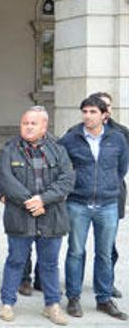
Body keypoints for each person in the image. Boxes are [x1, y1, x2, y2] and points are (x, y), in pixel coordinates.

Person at [0, 106, 73, 325]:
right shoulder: (10, 149)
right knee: (15, 260)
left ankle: (52, 305)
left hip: (51, 215)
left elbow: (67, 180)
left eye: (33, 123)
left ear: (44, 126)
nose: (28, 127)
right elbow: (6, 179)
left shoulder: (58, 149)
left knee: (49, 264)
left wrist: (43, 200)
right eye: (25, 123)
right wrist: (31, 202)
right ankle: (7, 303)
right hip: (20, 215)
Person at [61, 95, 129, 319]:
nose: (88, 116)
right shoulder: (71, 138)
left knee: (104, 254)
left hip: (107, 204)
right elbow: (60, 165)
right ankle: (73, 297)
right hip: (78, 203)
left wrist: (108, 187)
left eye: (93, 112)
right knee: (75, 251)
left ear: (104, 115)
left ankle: (104, 298)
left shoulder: (118, 139)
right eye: (85, 112)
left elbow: (121, 169)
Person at [91, 91, 128, 299]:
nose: (106, 110)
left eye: (108, 105)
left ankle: (107, 283)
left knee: (107, 247)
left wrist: (108, 184)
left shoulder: (121, 132)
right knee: (76, 248)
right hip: (83, 197)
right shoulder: (77, 131)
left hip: (112, 196)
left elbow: (123, 165)